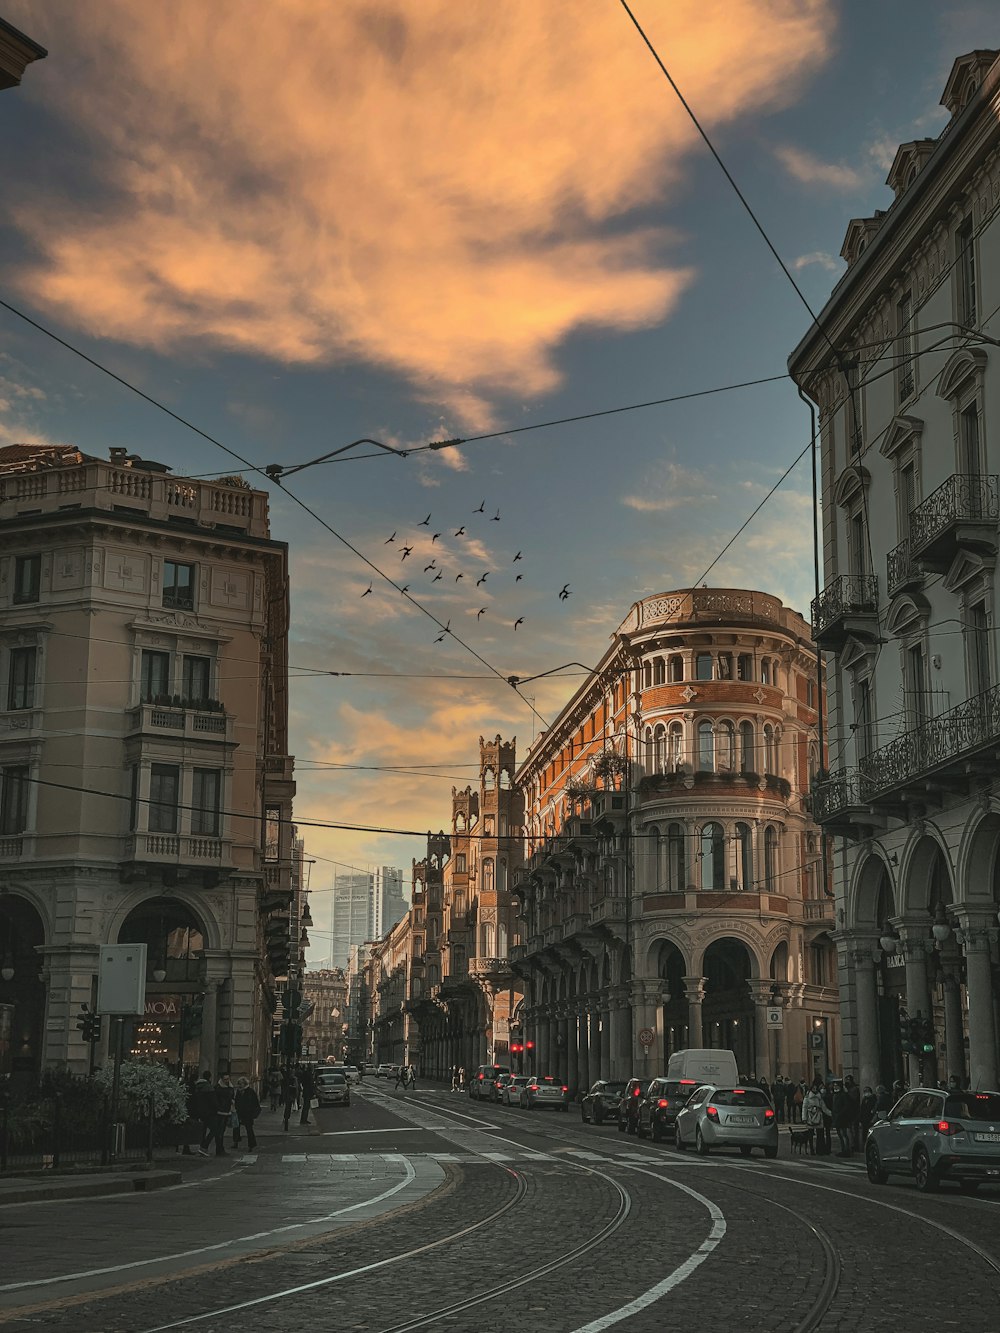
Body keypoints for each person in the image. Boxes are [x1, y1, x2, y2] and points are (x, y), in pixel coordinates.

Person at [803, 1081, 831, 1155]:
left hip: (818, 1116)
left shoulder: (819, 1097)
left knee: (820, 1134)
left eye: (816, 1088)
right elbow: (804, 1107)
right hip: (810, 1116)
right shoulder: (807, 1096)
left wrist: (831, 1114)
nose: (815, 1089)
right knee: (810, 1134)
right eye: (813, 1088)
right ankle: (812, 1149)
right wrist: (804, 1118)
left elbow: (824, 1108)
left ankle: (820, 1150)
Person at [192, 1070, 216, 1157]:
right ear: (210, 1077)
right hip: (209, 1112)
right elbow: (213, 1101)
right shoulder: (209, 1088)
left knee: (203, 1130)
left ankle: (202, 1148)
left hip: (200, 1112)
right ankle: (204, 1147)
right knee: (214, 1129)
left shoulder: (197, 1087)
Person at [234, 1077, 261, 1150]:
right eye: (239, 1084)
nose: (239, 1085)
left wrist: (253, 1113)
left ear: (245, 1084)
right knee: (236, 1128)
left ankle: (251, 1145)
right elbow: (237, 1101)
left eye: (241, 1084)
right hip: (239, 1112)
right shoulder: (238, 1092)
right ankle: (235, 1142)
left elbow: (255, 1103)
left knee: (249, 1129)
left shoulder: (250, 1091)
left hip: (248, 1113)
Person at [214, 1073, 235, 1157]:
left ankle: (220, 1148)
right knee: (219, 1131)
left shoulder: (230, 1087)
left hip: (227, 1111)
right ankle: (219, 1149)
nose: (227, 1081)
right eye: (225, 1079)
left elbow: (232, 1097)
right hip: (220, 1112)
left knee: (222, 1131)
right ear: (222, 1079)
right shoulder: (218, 1088)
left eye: (228, 1079)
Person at [831, 1080, 853, 1156]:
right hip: (836, 1117)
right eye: (834, 1086)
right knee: (840, 1134)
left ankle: (846, 1150)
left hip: (843, 1117)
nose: (835, 1087)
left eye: (836, 1085)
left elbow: (846, 1106)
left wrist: (840, 1113)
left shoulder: (843, 1095)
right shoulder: (834, 1095)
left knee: (843, 1134)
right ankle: (843, 1149)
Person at [843, 1074, 862, 1150]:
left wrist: (847, 1093)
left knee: (854, 1130)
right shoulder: (849, 1089)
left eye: (848, 1080)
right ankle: (852, 1145)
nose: (846, 1082)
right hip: (850, 1112)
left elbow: (853, 1100)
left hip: (854, 1111)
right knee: (850, 1130)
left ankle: (855, 1145)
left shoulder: (854, 1089)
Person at [281, 1067, 299, 1132]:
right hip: (290, 1094)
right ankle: (286, 1117)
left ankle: (286, 1117)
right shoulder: (293, 1079)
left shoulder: (288, 1078)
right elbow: (296, 1087)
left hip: (289, 1094)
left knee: (288, 1106)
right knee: (288, 1106)